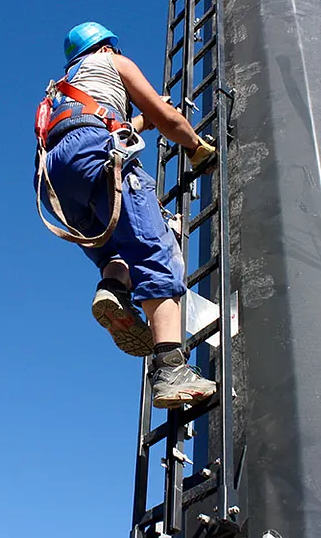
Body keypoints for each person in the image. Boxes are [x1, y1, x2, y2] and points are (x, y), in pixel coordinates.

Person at [35, 22, 217, 409]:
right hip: (96, 154)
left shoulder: (60, 87)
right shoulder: (116, 63)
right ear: (106, 47)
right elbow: (167, 118)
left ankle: (113, 289)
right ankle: (171, 369)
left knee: (117, 253)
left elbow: (85, 124)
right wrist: (196, 146)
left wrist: (138, 124)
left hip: (52, 178)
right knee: (156, 253)